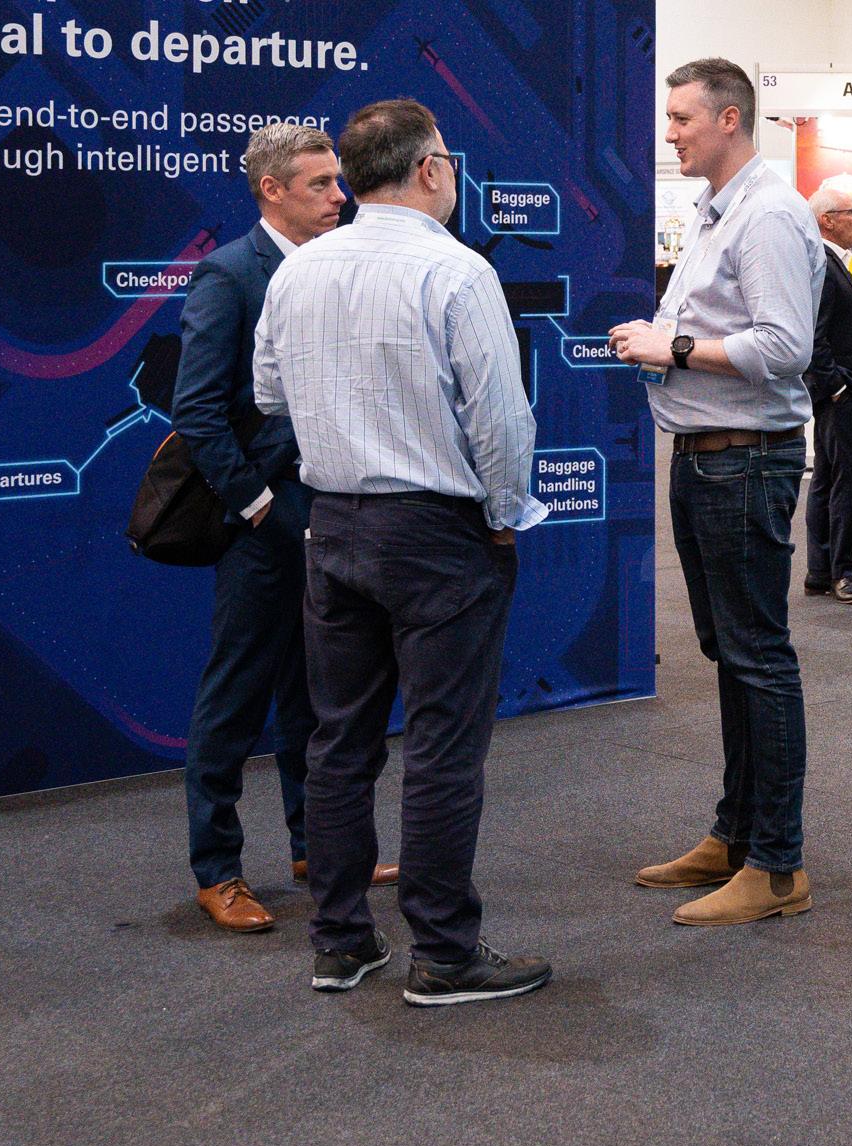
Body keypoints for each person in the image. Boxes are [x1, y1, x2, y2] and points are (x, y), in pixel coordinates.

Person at [255, 99, 552, 1004]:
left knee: (340, 742)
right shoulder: (456, 271)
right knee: (442, 746)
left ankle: (340, 942)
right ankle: (444, 952)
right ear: (429, 169)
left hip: (334, 526)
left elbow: (268, 393)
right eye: (449, 162)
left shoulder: (298, 270)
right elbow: (500, 421)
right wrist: (504, 513)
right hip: (435, 535)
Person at [609, 57, 824, 925]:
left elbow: (783, 347)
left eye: (681, 119)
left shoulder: (766, 213)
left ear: (729, 119)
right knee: (733, 653)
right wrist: (662, 332)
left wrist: (671, 348)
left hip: (743, 460)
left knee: (757, 658)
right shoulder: (716, 209)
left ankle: (776, 866)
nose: (668, 133)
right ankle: (736, 834)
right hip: (706, 457)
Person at [172, 123, 398, 935]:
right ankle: (218, 869)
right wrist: (257, 505)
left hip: (333, 508)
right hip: (264, 522)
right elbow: (197, 410)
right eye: (320, 184)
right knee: (234, 696)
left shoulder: (335, 265)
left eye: (338, 180)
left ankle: (318, 846)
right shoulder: (230, 273)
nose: (341, 195)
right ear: (271, 190)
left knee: (320, 694)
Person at [803, 186, 852, 605]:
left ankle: (821, 571)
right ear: (827, 220)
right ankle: (841, 574)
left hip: (838, 389)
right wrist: (836, 386)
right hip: (838, 391)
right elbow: (815, 336)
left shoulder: (829, 261)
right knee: (846, 480)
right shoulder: (823, 263)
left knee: (827, 477)